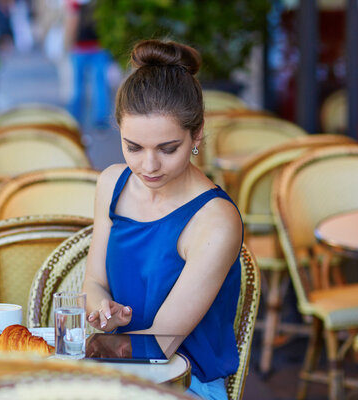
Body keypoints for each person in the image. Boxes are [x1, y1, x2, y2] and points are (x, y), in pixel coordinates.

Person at [82, 39, 243, 400]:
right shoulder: (111, 183)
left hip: (186, 384)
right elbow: (93, 283)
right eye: (133, 147)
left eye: (168, 149)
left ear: (197, 133)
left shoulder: (215, 220)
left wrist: (82, 356)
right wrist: (104, 312)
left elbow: (161, 343)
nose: (149, 166)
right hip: (116, 373)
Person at [63, 0, 111, 128]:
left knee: (78, 85)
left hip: (79, 48)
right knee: (99, 85)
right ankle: (101, 120)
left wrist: (68, 44)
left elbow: (72, 23)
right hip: (99, 47)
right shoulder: (100, 4)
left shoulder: (75, 3)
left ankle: (75, 119)